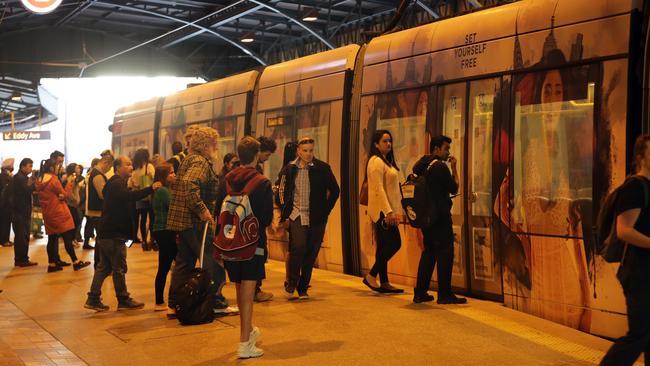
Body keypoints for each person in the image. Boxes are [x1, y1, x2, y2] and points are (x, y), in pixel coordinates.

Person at [84, 156, 162, 311]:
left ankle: (93, 298)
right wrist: (150, 188)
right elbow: (129, 197)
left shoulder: (115, 183)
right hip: (113, 234)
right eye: (127, 164)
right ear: (118, 167)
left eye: (131, 164)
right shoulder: (117, 183)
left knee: (104, 267)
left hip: (107, 233)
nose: (131, 167)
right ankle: (123, 299)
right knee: (118, 268)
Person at [600, 134, 650, 366]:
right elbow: (624, 230)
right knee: (639, 334)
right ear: (641, 157)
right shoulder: (635, 187)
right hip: (639, 274)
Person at [222, 136, 273, 359]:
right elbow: (266, 218)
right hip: (253, 245)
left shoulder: (227, 180)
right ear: (256, 155)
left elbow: (218, 213)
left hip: (230, 243)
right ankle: (244, 344)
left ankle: (248, 330)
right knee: (249, 291)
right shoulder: (262, 183)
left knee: (239, 286)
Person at [167, 126, 222, 317]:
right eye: (215, 144)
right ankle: (208, 299)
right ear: (207, 145)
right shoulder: (200, 162)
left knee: (184, 262)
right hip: (196, 223)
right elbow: (190, 185)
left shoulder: (189, 159)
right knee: (209, 260)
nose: (217, 148)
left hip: (183, 222)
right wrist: (203, 211)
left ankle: (176, 302)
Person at [277, 137, 340, 299]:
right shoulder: (289, 169)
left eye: (311, 150)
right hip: (296, 215)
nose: (308, 154)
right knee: (298, 247)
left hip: (317, 217)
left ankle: (303, 287)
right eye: (305, 151)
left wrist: (325, 210)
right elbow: (281, 192)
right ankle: (292, 282)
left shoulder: (323, 168)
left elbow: (335, 190)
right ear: (298, 150)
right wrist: (284, 214)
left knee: (311, 252)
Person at [412, 135, 467, 304]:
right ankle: (445, 294)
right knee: (445, 253)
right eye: (446, 148)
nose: (448, 152)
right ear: (436, 149)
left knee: (429, 253)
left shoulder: (422, 165)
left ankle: (420, 293)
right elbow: (454, 187)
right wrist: (454, 167)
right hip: (441, 217)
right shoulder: (440, 167)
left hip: (426, 218)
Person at [361, 130, 404, 294]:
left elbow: (392, 189)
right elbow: (378, 188)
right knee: (394, 244)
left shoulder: (386, 161)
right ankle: (372, 275)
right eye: (385, 141)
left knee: (384, 246)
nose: (388, 144)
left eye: (390, 141)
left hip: (387, 210)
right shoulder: (376, 161)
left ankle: (384, 281)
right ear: (376, 144)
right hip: (382, 212)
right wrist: (389, 212)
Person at [36, 159, 91, 273]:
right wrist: (70, 182)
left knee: (51, 239)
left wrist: (59, 196)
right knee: (67, 237)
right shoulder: (53, 179)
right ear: (51, 168)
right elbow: (65, 195)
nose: (59, 168)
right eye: (57, 166)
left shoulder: (39, 179)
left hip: (48, 213)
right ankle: (76, 262)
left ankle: (51, 265)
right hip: (59, 212)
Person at [253, 136, 277, 303]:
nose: (267, 158)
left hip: (252, 224)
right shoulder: (256, 172)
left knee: (258, 254)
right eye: (267, 155)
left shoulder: (251, 169)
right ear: (259, 152)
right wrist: (267, 221)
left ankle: (255, 287)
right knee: (258, 254)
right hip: (257, 226)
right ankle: (255, 289)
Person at [152, 163, 176, 311]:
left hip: (162, 231)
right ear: (163, 177)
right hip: (165, 231)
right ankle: (161, 301)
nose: (174, 175)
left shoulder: (163, 190)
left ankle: (161, 301)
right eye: (171, 173)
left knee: (166, 265)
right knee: (168, 266)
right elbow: (173, 207)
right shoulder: (163, 191)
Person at [11, 158, 37, 267]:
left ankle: (22, 259)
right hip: (20, 212)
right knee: (22, 236)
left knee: (23, 236)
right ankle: (21, 260)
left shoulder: (22, 177)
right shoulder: (19, 178)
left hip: (22, 211)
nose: (31, 168)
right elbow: (27, 189)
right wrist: (34, 180)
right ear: (23, 166)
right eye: (29, 166)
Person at [129, 148, 155, 251]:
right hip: (149, 196)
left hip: (139, 197)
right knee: (152, 219)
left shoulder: (135, 170)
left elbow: (133, 184)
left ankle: (144, 240)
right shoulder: (149, 167)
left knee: (143, 219)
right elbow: (153, 179)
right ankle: (151, 240)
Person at [84, 156, 112, 250]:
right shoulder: (98, 175)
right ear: (105, 163)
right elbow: (102, 195)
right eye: (109, 167)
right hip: (98, 211)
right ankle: (99, 263)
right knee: (101, 240)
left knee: (100, 239)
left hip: (95, 211)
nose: (108, 170)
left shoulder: (94, 173)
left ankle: (99, 263)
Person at [63, 164, 83, 247]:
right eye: (77, 168)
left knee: (76, 221)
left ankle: (73, 239)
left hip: (73, 204)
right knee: (75, 221)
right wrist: (74, 199)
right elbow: (69, 191)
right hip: (71, 204)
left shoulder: (73, 178)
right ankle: (71, 239)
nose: (78, 169)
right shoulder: (70, 178)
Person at [0, 158, 15, 247]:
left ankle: (5, 239)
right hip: (5, 203)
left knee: (5, 222)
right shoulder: (4, 177)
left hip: (5, 203)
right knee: (5, 222)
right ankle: (4, 240)